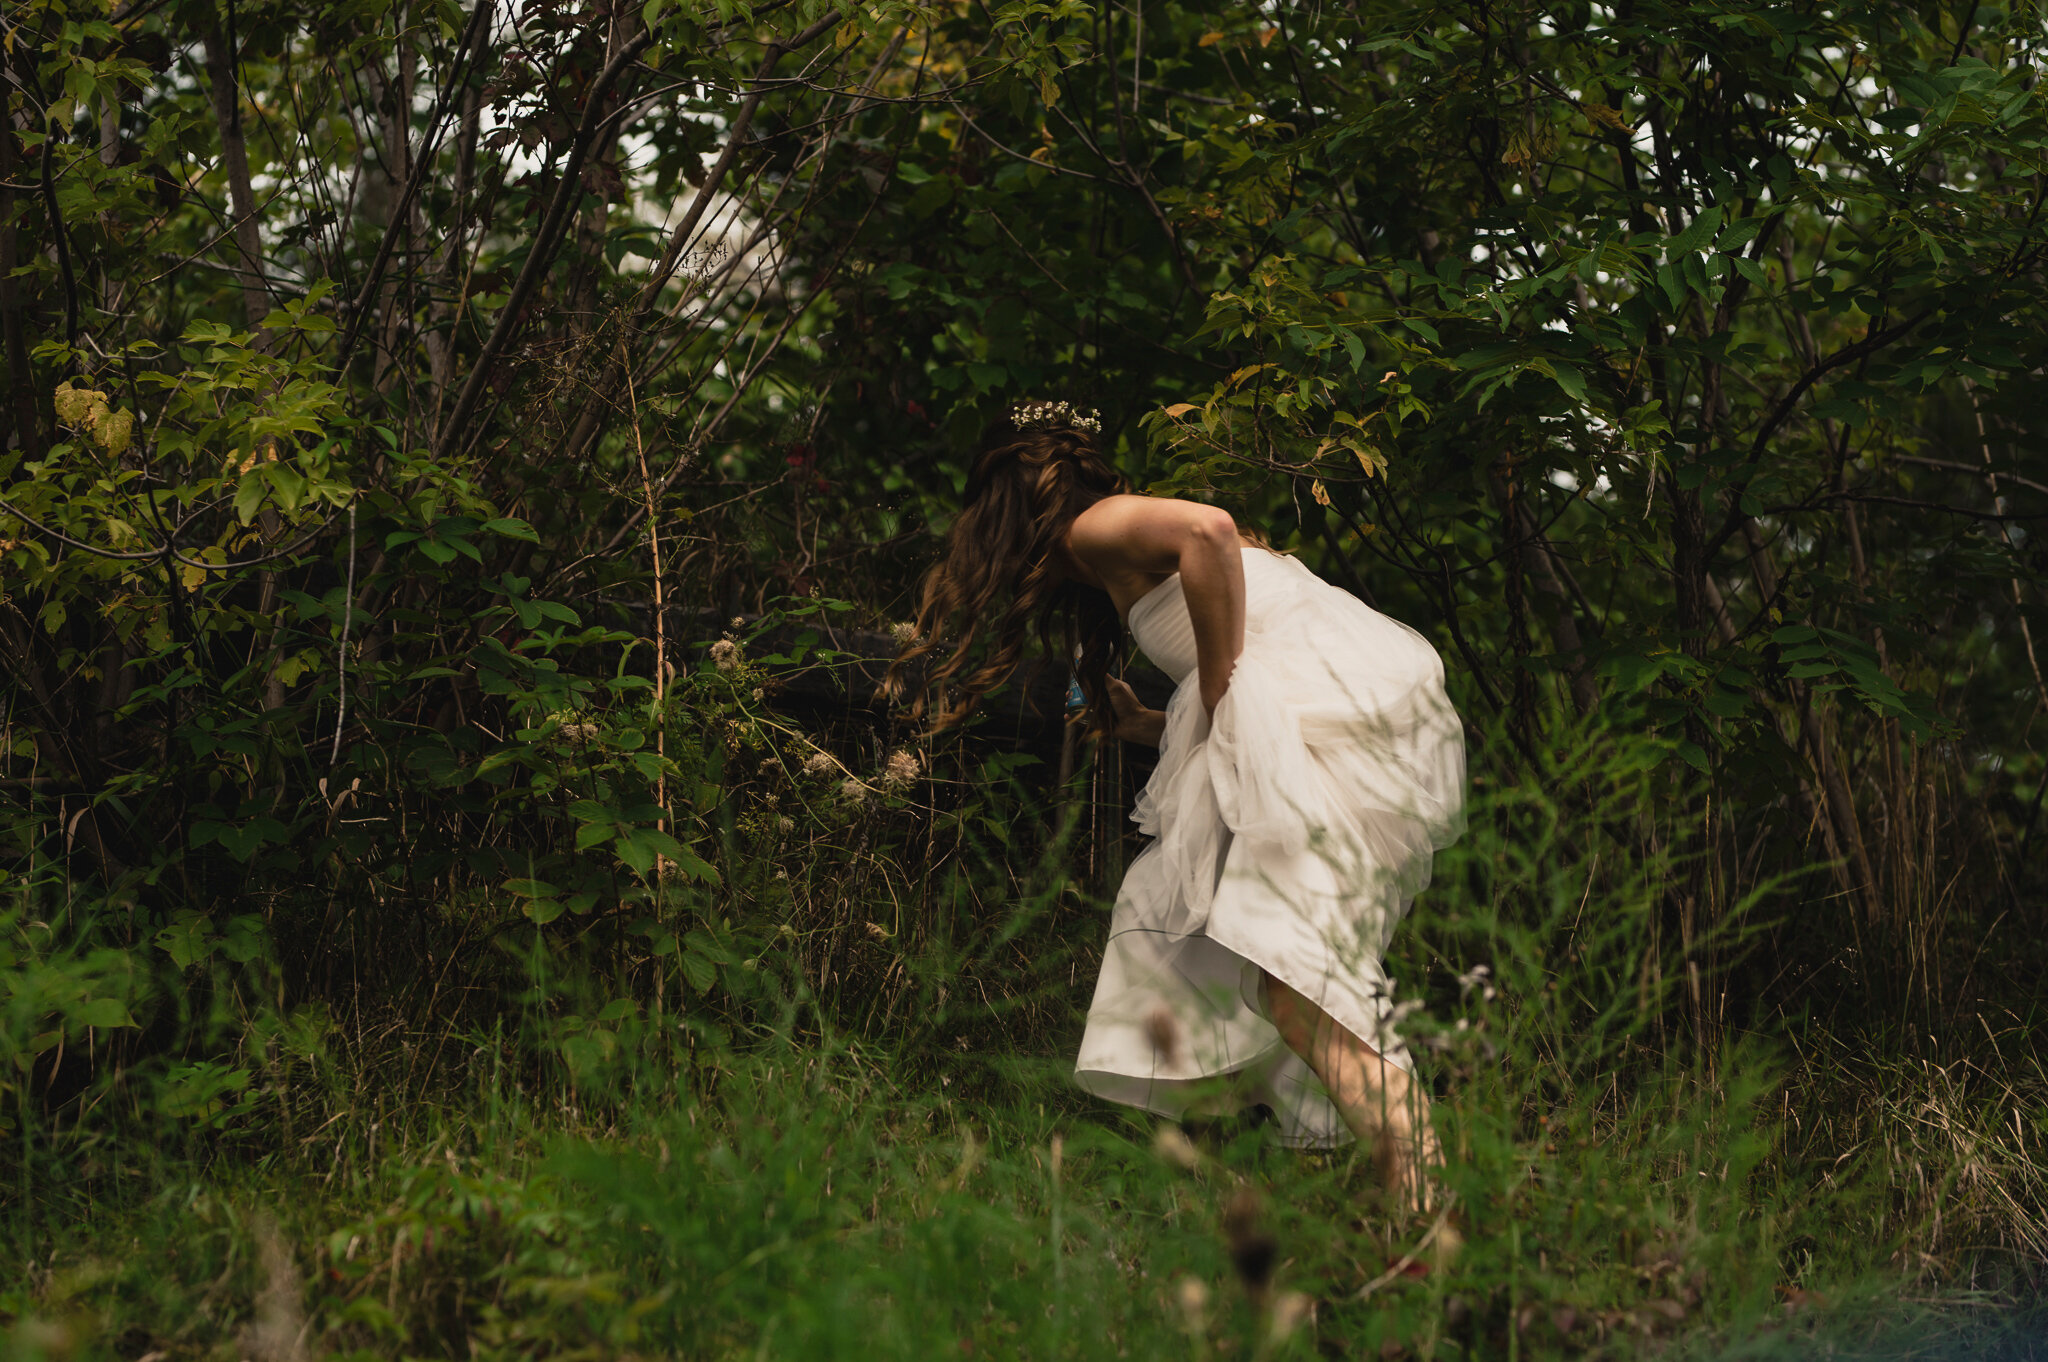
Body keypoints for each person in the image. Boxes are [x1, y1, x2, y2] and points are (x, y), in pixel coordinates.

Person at [886, 400, 1465, 1210]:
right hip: (1327, 734)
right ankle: (1411, 1209)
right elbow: (1261, 664)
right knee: (1291, 983)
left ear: (1008, 506)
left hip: (1316, 747)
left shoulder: (1096, 527)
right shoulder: (1109, 549)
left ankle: (1429, 1216)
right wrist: (1152, 722)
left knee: (1299, 989)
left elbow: (1212, 532)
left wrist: (1223, 686)